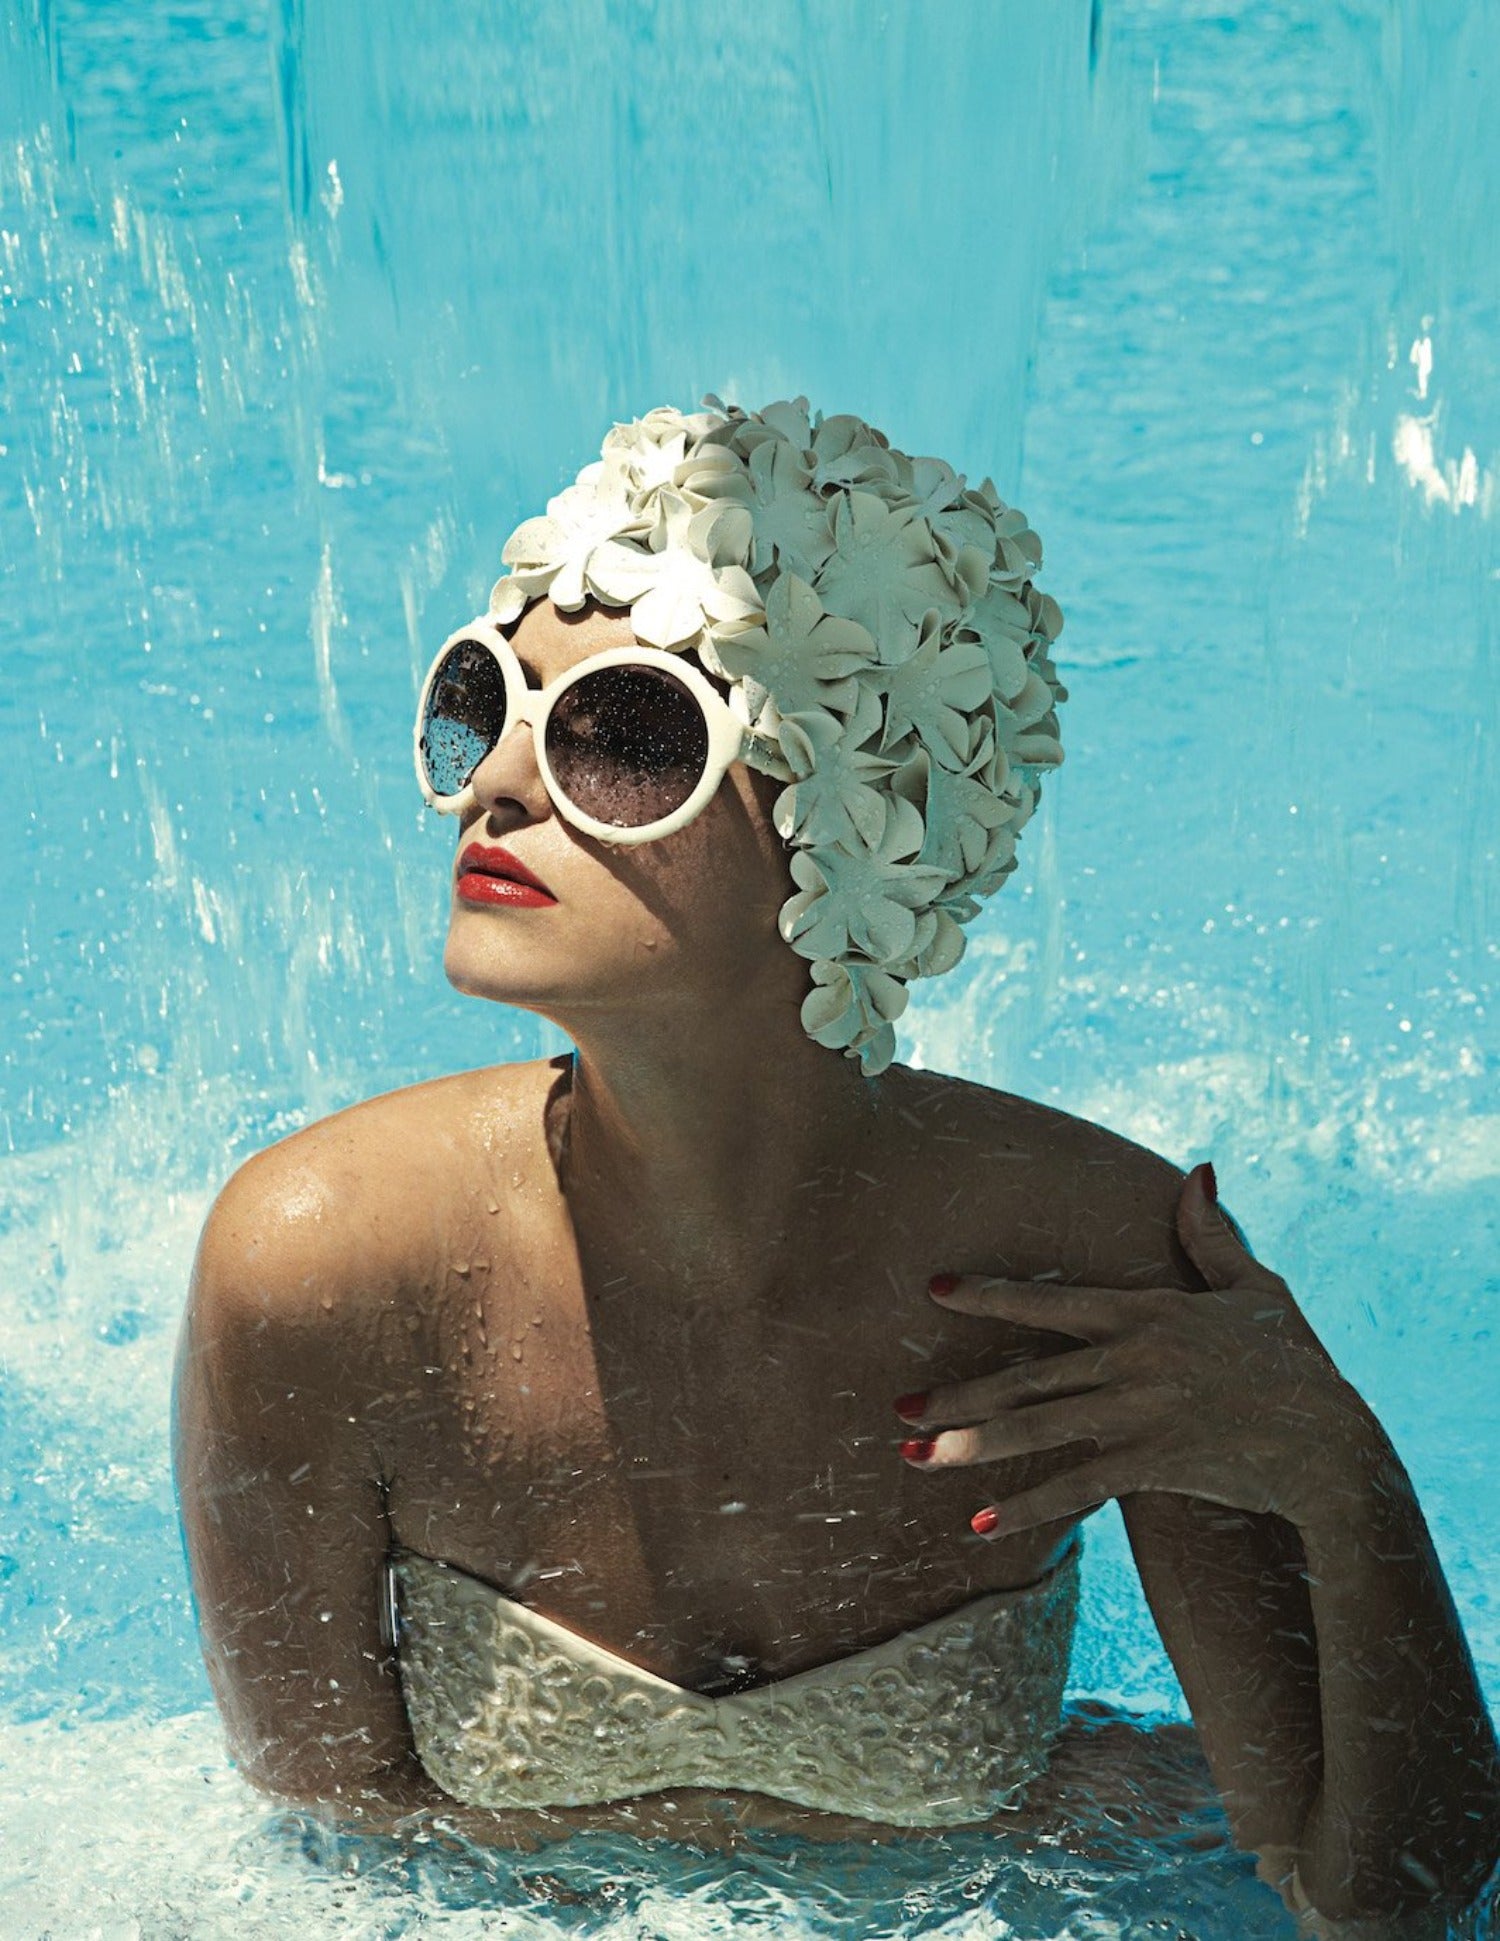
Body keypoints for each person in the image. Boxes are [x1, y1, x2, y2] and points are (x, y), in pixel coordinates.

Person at [173, 396, 1499, 1927]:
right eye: (487, 699)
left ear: (851, 830)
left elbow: (1387, 1898)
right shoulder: (320, 1262)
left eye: (621, 730)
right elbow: (330, 1855)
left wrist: (1345, 1474)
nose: (500, 782)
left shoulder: (1091, 1259)